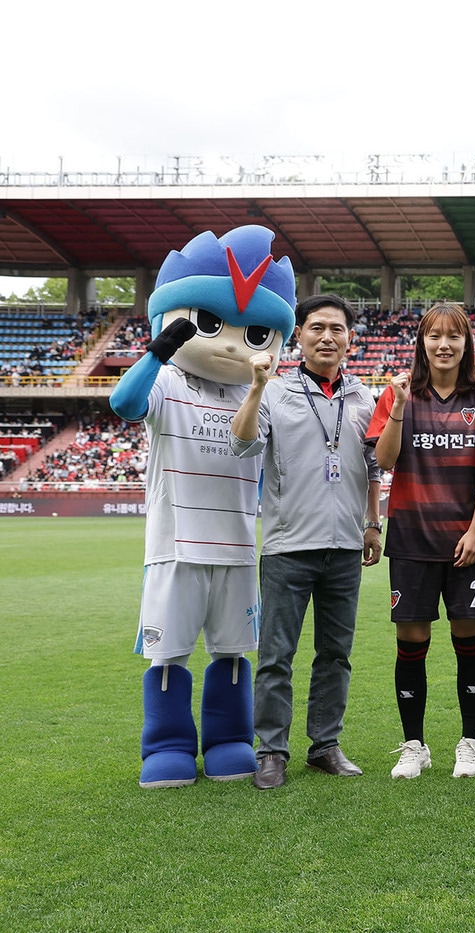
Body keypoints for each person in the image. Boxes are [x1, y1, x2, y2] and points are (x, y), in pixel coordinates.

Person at [110, 225, 297, 789]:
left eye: (256, 332)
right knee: (169, 655)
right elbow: (123, 403)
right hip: (176, 547)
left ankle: (228, 740)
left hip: (239, 548)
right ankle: (165, 745)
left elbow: (251, 443)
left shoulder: (258, 396)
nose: (231, 344)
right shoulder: (167, 380)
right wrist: (154, 353)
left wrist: (260, 386)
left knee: (234, 654)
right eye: (211, 324)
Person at [230, 293, 382, 791]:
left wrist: (373, 524)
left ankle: (325, 746)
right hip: (287, 546)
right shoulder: (275, 391)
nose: (326, 336)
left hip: (344, 547)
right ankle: (271, 750)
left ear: (350, 340)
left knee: (335, 654)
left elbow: (375, 466)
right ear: (301, 336)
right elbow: (243, 442)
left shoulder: (365, 397)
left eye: (336, 329)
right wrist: (254, 386)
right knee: (276, 654)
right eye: (317, 327)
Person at [369, 303, 475, 780]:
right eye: (434, 336)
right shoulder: (398, 394)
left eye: (454, 336)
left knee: (469, 638)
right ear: (421, 343)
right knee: (412, 639)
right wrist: (400, 410)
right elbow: (384, 461)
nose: (444, 344)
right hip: (410, 540)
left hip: (467, 543)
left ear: (467, 344)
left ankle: (469, 743)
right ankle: (414, 746)